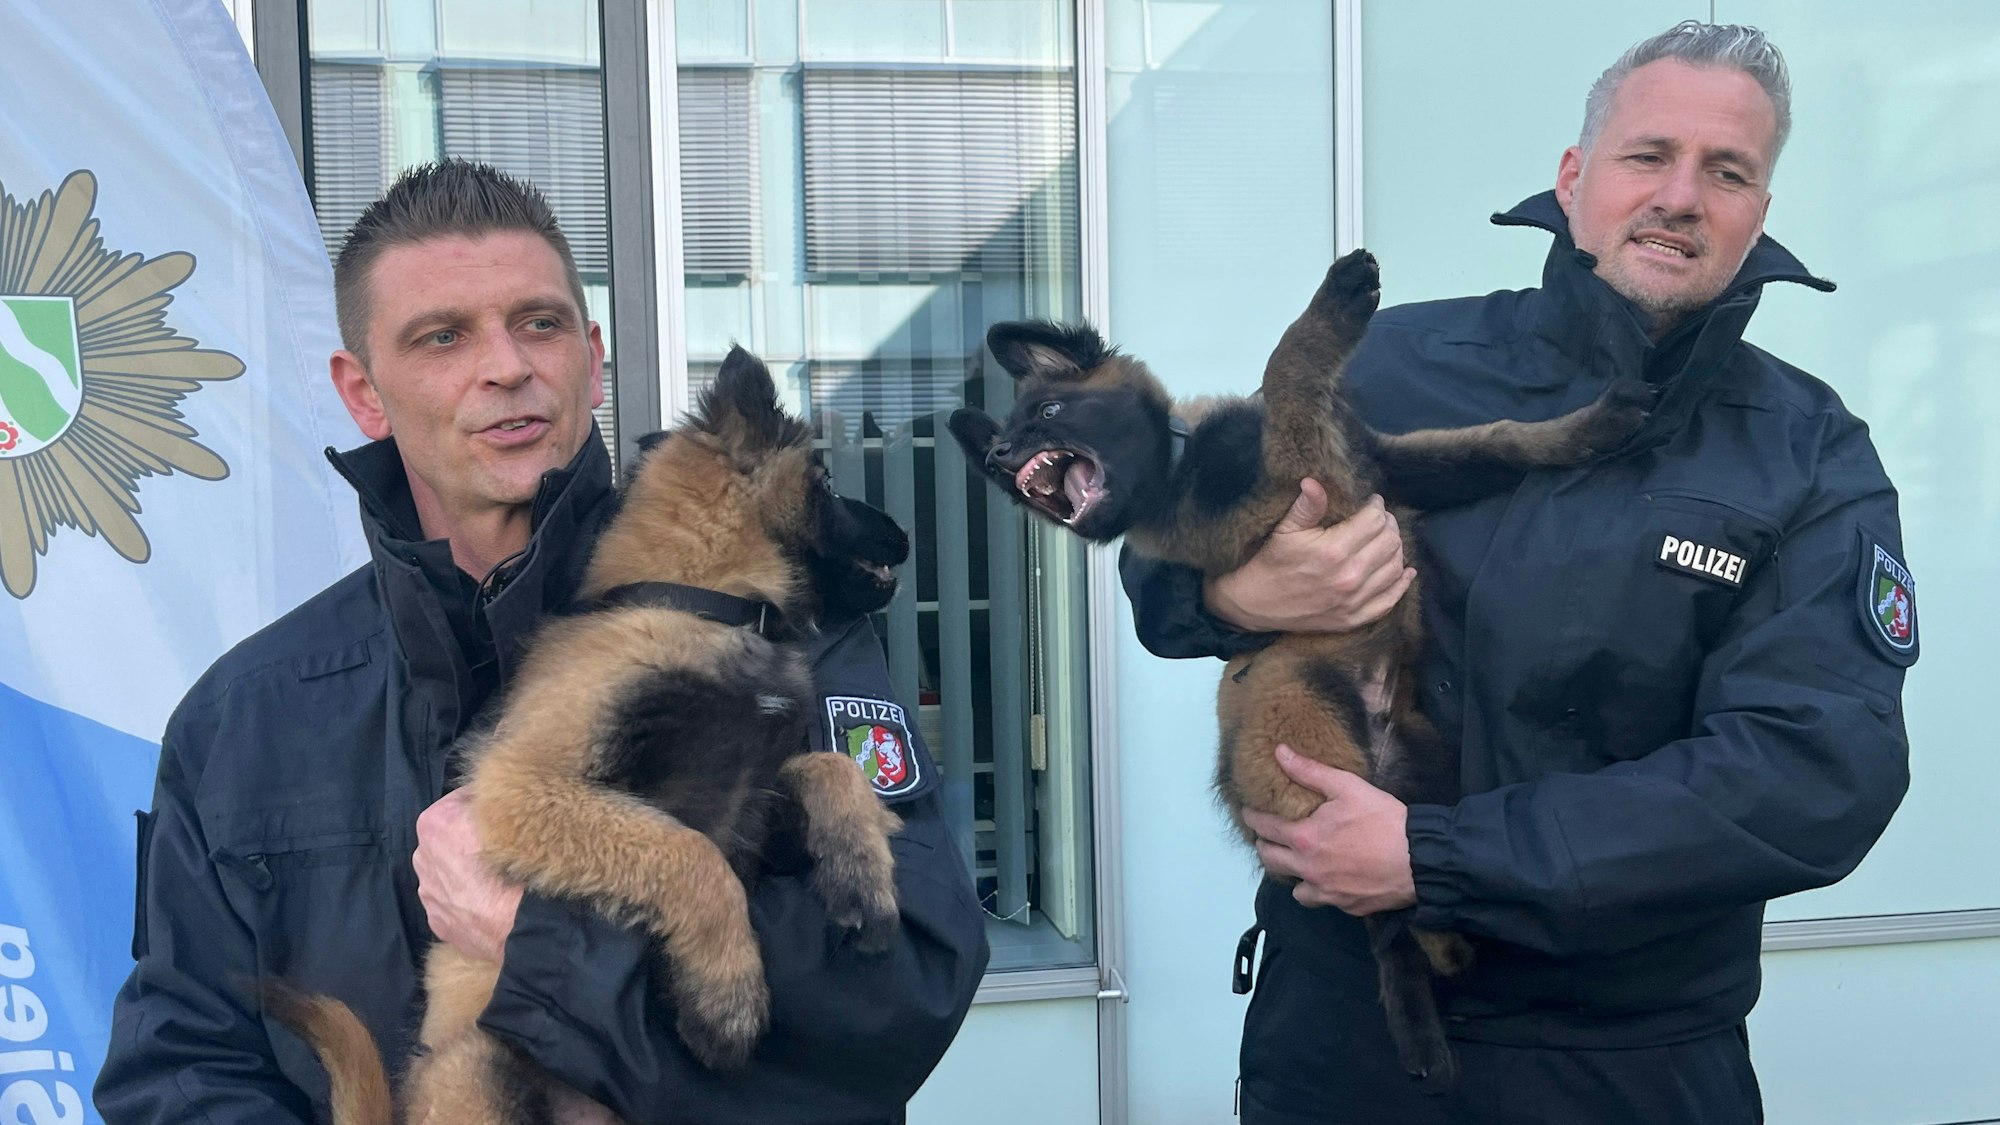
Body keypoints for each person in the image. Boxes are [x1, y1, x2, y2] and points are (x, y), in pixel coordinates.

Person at [1124, 22, 1913, 1125]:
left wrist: (1435, 857)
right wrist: (1217, 596)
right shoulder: (1394, 361)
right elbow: (1170, 547)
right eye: (1648, 155)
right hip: (1340, 1041)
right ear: (1573, 175)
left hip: (1619, 1060)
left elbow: (1812, 774)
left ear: (1758, 213)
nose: (1680, 196)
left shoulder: (1807, 451)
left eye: (1725, 171)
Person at [96, 159, 989, 1124]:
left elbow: (909, 992)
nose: (507, 365)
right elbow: (181, 1061)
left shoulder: (785, 640)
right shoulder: (247, 717)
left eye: (539, 323)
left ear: (593, 358)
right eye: (443, 336)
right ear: (363, 392)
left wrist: (544, 941)